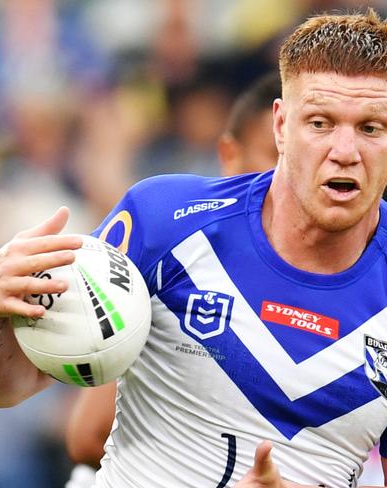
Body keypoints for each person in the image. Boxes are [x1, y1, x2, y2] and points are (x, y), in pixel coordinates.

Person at [0, 9, 387, 487]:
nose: (345, 152)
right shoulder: (163, 221)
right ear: (281, 125)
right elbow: (7, 389)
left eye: (370, 128)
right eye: (320, 123)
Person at [64, 71, 282, 474]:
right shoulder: (181, 256)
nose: (293, 174)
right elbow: (89, 433)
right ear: (229, 154)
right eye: (277, 153)